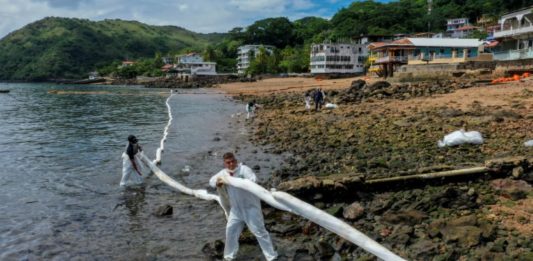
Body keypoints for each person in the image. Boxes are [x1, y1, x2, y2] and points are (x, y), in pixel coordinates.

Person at [209, 152, 278, 261]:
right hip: (236, 210)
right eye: (228, 162)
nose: (231, 164)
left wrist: (238, 181)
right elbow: (211, 181)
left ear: (236, 161)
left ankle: (271, 256)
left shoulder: (244, 170)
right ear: (225, 163)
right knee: (230, 231)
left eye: (233, 161)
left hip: (251, 208)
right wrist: (217, 183)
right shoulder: (223, 174)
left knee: (260, 232)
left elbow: (254, 180)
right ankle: (229, 257)